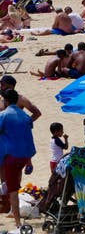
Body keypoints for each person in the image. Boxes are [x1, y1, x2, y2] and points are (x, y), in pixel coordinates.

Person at [0, 89, 36, 231]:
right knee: (14, 184)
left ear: (6, 101)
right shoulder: (25, 116)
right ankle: (12, 212)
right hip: (23, 157)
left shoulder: (4, 115)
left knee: (12, 190)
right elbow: (27, 137)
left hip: (11, 157)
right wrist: (29, 161)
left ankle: (18, 223)